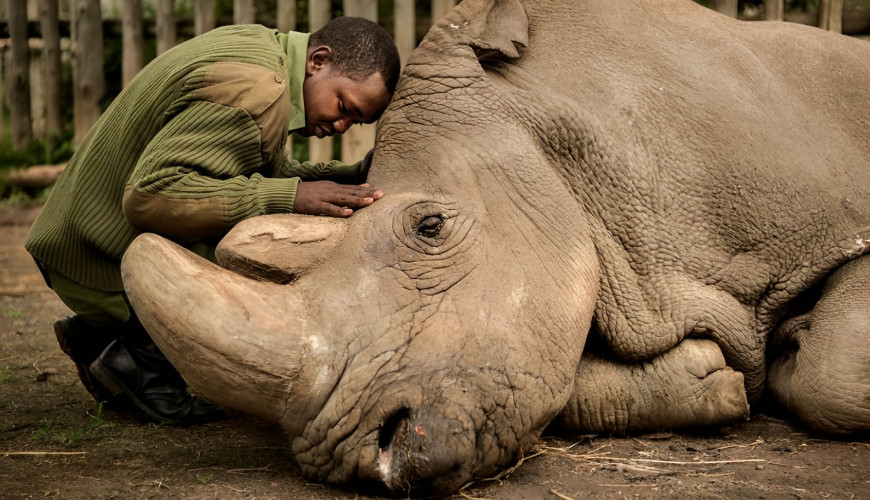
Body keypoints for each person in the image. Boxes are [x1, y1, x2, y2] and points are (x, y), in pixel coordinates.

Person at [25, 17, 401, 425]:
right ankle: (127, 345)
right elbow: (150, 197)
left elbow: (242, 171)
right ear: (319, 61)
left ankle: (100, 336)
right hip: (93, 260)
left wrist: (344, 178)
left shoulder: (263, 52)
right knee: (255, 253)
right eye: (344, 106)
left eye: (356, 122)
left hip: (74, 236)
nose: (341, 125)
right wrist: (289, 197)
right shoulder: (256, 92)